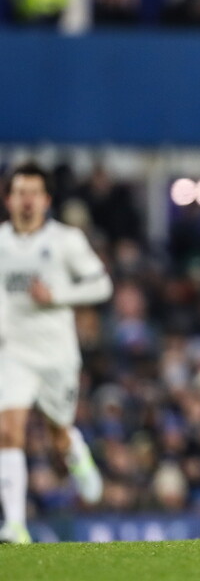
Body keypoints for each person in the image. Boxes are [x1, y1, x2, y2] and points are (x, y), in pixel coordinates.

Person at [0, 162, 113, 544]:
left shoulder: (66, 240)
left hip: (56, 354)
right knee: (7, 430)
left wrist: (57, 297)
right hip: (12, 351)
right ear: (9, 199)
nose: (27, 200)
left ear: (46, 200)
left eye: (34, 192)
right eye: (20, 192)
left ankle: (75, 452)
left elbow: (101, 285)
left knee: (57, 432)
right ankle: (15, 524)